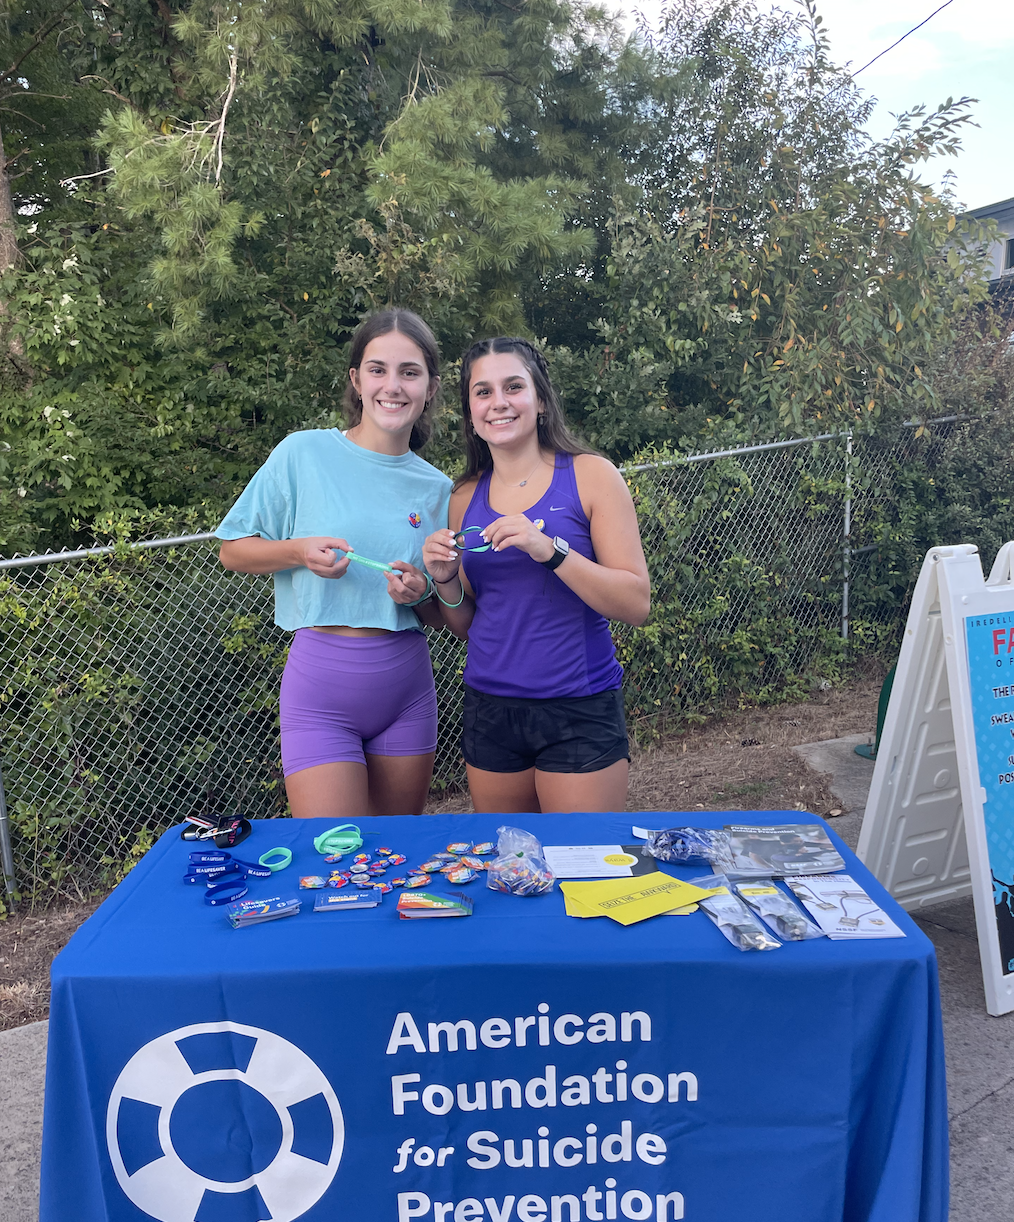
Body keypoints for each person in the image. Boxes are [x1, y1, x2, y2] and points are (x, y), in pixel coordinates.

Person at [217, 309, 451, 817]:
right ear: (357, 380)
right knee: (333, 853)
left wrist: (420, 594)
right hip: (320, 695)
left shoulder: (438, 489)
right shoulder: (303, 453)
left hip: (408, 694)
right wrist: (298, 551)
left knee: (396, 852)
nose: (393, 386)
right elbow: (232, 548)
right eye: (378, 369)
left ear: (430, 387)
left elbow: (440, 615)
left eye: (410, 372)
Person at [423, 336, 650, 814]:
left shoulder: (591, 475)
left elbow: (635, 604)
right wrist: (445, 580)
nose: (498, 402)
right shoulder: (463, 497)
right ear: (470, 413)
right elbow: (467, 625)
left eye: (513, 387)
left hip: (579, 707)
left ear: (541, 399)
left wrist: (549, 550)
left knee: (582, 857)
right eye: (483, 392)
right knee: (510, 858)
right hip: (490, 712)